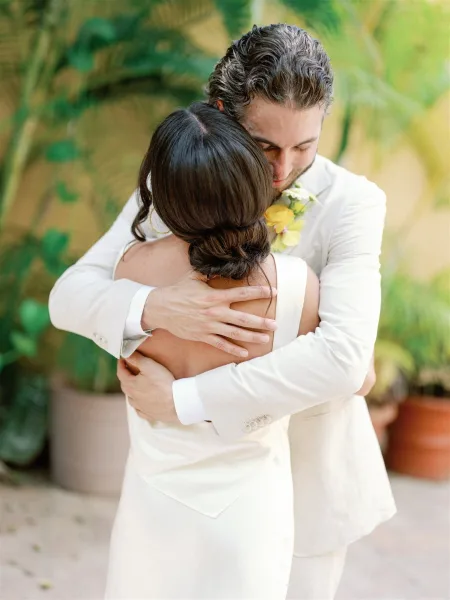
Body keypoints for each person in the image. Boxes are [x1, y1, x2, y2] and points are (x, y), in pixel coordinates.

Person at [49, 24, 396, 599]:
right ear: (222, 113)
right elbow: (70, 295)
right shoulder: (179, 179)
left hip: (310, 479)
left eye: (304, 147)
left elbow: (345, 359)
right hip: (184, 492)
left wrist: (183, 401)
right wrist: (159, 307)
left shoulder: (355, 204)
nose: (284, 171)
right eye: (265, 147)